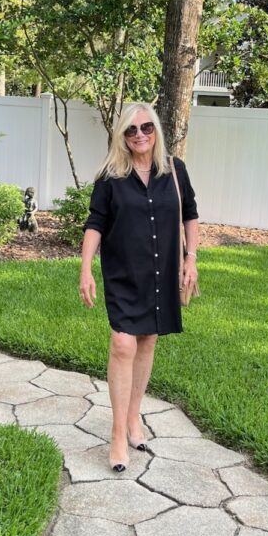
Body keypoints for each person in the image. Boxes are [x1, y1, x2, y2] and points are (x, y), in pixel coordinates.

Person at [80, 103, 199, 472]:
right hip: (123, 271)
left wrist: (190, 258)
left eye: (146, 127)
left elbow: (190, 214)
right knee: (123, 342)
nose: (140, 135)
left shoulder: (174, 170)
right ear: (122, 136)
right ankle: (118, 433)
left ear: (156, 130)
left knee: (148, 340)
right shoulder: (110, 175)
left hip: (162, 271)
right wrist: (85, 269)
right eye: (131, 131)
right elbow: (95, 222)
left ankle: (134, 418)